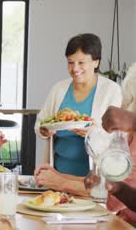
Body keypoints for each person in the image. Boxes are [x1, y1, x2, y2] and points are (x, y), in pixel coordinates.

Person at [34, 33, 122, 193]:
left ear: (96, 62)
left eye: (81, 62)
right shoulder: (58, 89)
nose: (75, 69)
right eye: (70, 63)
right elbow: (41, 123)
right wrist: (44, 130)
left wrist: (92, 133)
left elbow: (117, 138)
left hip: (92, 183)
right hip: (57, 177)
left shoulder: (111, 90)